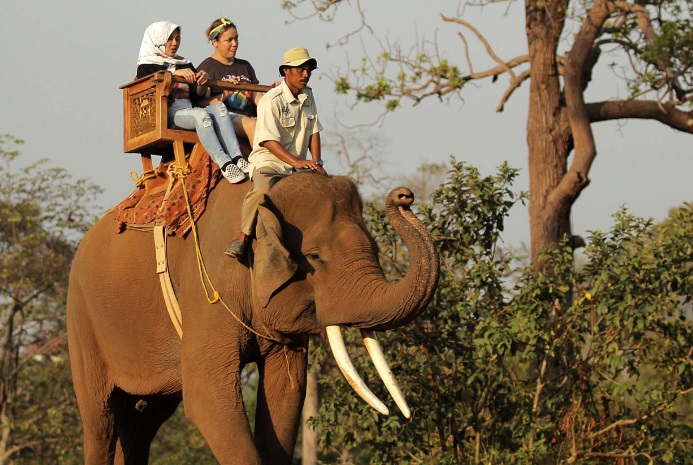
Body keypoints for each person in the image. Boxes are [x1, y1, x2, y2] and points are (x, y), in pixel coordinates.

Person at [225, 47, 326, 259]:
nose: (305, 75)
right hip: (270, 160)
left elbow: (314, 130)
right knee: (261, 191)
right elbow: (268, 141)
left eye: (308, 70)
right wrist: (297, 162)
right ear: (285, 71)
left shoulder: (309, 96)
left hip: (298, 164)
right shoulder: (272, 100)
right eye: (300, 70)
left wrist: (316, 161)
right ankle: (243, 238)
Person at [136, 21, 247, 183]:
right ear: (157, 40)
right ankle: (224, 163)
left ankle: (237, 157)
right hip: (169, 115)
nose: (175, 43)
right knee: (201, 115)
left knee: (219, 108)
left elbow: (197, 94)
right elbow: (149, 86)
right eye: (169, 39)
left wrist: (203, 79)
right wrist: (173, 74)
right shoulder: (146, 66)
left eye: (177, 38)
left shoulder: (184, 62)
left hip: (190, 109)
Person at [197, 18, 268, 160]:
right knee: (252, 125)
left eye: (236, 39)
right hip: (226, 118)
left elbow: (256, 96)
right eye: (229, 40)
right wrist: (225, 95)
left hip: (250, 115)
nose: (234, 44)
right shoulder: (207, 67)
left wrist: (273, 100)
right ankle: (263, 164)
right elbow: (200, 105)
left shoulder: (245, 66)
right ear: (215, 42)